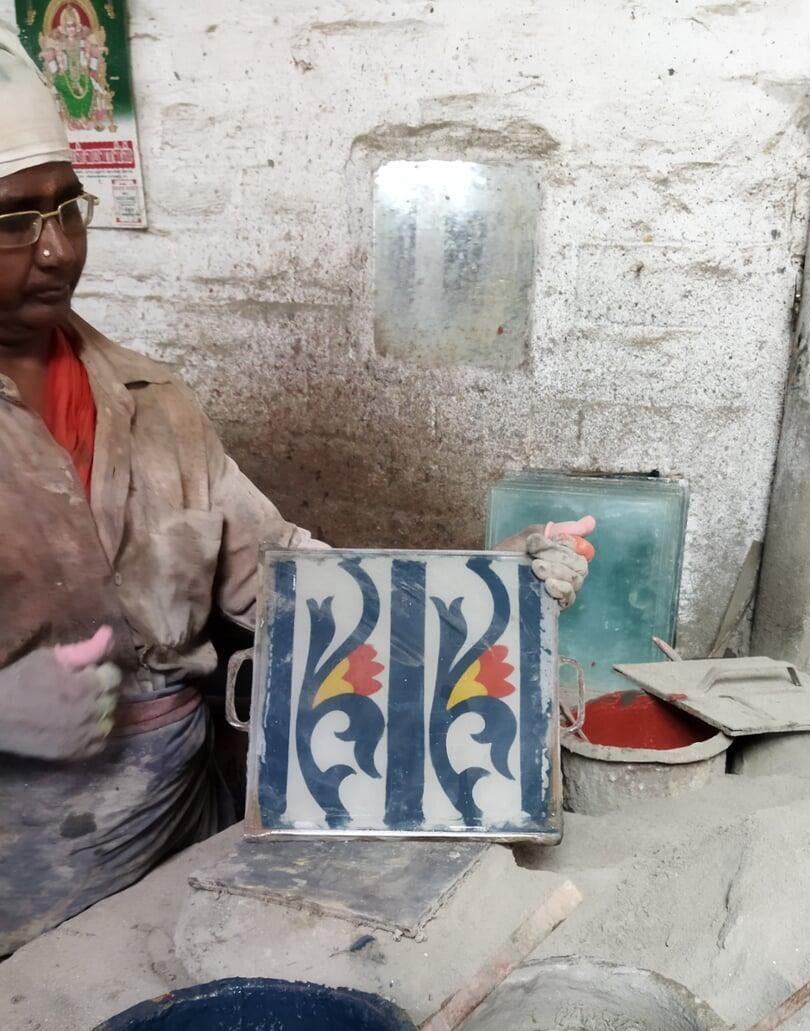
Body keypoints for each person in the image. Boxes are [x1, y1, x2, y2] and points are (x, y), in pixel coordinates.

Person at [0, 27, 594, 956]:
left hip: (185, 841)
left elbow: (289, 579)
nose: (54, 251)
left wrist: (479, 585)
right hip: (22, 883)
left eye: (66, 210)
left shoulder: (155, 405)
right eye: (11, 222)